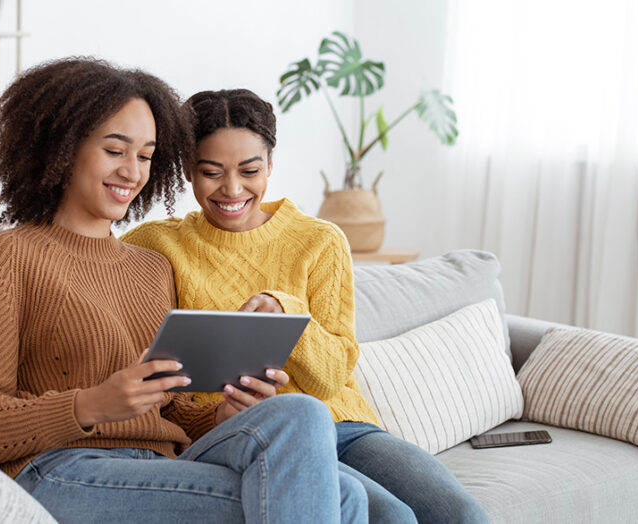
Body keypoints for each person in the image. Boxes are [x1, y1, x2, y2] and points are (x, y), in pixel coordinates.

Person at [0, 59, 368, 524]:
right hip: (63, 469)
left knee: (303, 416)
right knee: (339, 499)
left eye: (145, 156)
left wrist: (222, 414)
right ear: (62, 149)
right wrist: (90, 405)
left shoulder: (150, 266)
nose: (131, 172)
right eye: (114, 150)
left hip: (165, 465)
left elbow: (175, 409)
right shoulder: (11, 253)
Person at [122, 88, 489, 523]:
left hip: (345, 427)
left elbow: (333, 375)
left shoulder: (320, 241)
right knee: (391, 517)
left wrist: (286, 309)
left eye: (250, 170)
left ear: (271, 165)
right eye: (211, 171)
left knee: (462, 514)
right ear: (187, 169)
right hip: (251, 434)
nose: (232, 188)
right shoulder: (155, 246)